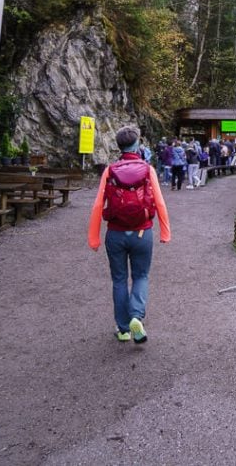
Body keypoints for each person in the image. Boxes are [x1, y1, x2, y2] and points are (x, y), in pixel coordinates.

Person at [88, 126, 171, 344]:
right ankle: (136, 316)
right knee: (141, 276)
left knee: (119, 280)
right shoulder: (147, 169)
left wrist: (94, 238)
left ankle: (123, 329)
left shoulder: (109, 171)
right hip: (142, 233)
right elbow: (160, 202)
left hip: (115, 234)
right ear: (137, 145)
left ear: (119, 147)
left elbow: (98, 205)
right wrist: (165, 231)